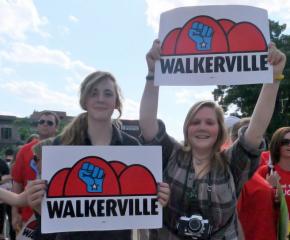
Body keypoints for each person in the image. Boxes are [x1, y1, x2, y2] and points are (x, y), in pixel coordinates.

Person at [139, 39, 286, 239]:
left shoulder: (231, 163)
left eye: (209, 122)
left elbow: (256, 129)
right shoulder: (172, 154)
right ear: (186, 127)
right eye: (195, 122)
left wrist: (274, 77)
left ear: (219, 129)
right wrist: (152, 74)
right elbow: (148, 125)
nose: (202, 127)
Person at [25, 71, 170, 240]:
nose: (100, 99)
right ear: (84, 101)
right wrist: (37, 202)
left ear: (116, 102)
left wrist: (158, 196)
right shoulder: (61, 146)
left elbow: (144, 206)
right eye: (94, 93)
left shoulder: (132, 148)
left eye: (107, 93)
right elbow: (49, 210)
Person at [11, 111, 59, 232]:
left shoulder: (63, 150)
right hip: (28, 217)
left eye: (49, 122)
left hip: (56, 215)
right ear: (37, 126)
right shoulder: (24, 151)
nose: (45, 124)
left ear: (56, 128)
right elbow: (17, 183)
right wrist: (14, 213)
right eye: (41, 122)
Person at [232, 118, 278, 240]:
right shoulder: (235, 176)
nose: (256, 140)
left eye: (260, 136)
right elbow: (230, 221)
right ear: (235, 140)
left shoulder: (258, 172)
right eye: (250, 135)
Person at [258, 127, 290, 234]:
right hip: (270, 232)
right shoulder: (265, 172)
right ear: (277, 144)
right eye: (285, 142)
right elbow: (254, 205)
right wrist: (269, 189)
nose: (289, 145)